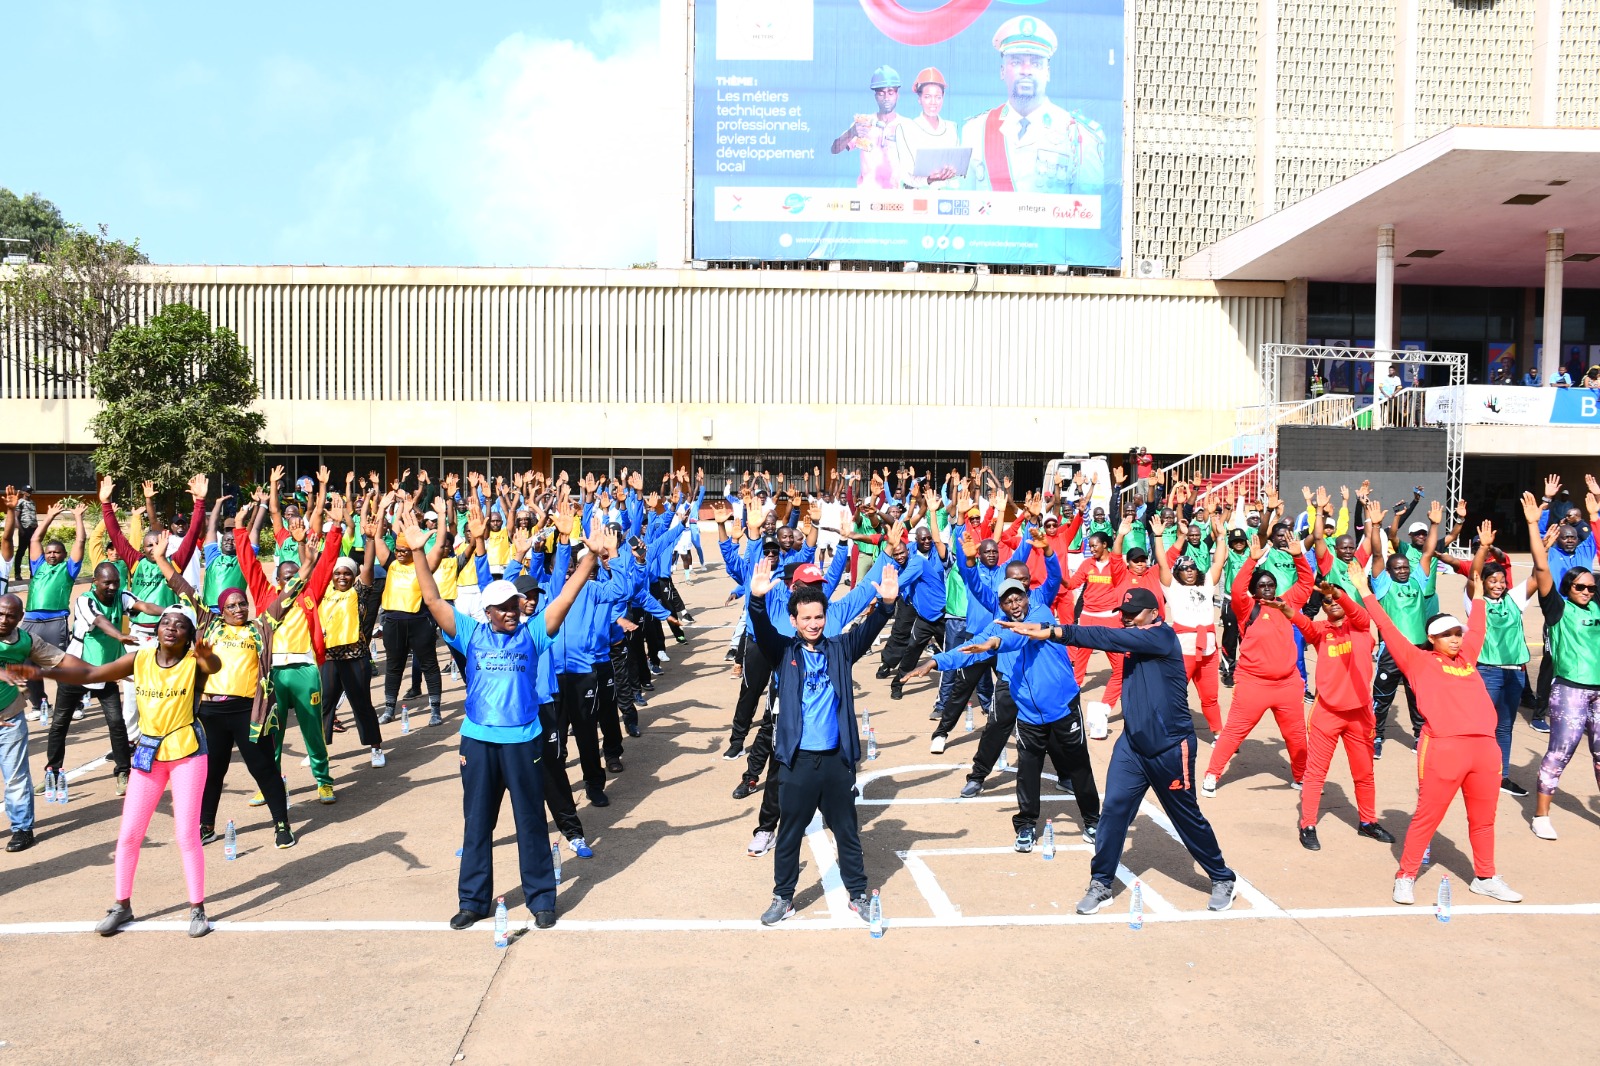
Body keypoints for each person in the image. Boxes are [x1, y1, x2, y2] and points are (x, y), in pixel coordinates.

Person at [403, 510, 598, 932]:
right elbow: (434, 600)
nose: (512, 611)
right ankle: (473, 900)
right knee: (477, 823)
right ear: (488, 610)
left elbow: (564, 598)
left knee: (530, 821)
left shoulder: (533, 633)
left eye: (515, 605)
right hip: (477, 741)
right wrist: (419, 552)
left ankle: (542, 898)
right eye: (503, 607)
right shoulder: (471, 634)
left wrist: (589, 559)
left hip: (524, 741)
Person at [1002, 588, 1238, 915]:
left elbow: (1106, 637)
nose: (1125, 618)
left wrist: (1057, 631)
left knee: (1186, 816)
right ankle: (1101, 882)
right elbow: (1112, 639)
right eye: (1123, 613)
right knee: (1112, 810)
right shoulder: (1134, 635)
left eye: (1132, 614)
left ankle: (1222, 877)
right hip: (1132, 746)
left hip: (1170, 748)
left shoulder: (1160, 637)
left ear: (1154, 612)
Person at [12, 602, 223, 935]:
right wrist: (40, 673)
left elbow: (214, 664)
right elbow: (90, 674)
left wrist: (207, 654)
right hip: (149, 754)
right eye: (165, 621)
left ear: (189, 635)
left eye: (179, 624)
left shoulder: (195, 663)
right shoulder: (139, 659)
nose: (170, 627)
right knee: (128, 835)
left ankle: (197, 910)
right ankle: (122, 905)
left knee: (185, 834)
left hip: (188, 754)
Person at [747, 555, 898, 926]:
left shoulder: (839, 649)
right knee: (789, 835)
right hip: (797, 762)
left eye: (819, 617)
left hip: (835, 761)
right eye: (806, 619)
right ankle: (783, 898)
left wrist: (887, 606)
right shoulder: (784, 652)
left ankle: (858, 894)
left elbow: (869, 628)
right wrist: (755, 599)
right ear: (794, 621)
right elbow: (763, 630)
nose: (813, 624)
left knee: (847, 831)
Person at [910, 575, 1101, 850]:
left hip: (1062, 707)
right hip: (1028, 712)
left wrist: (994, 644)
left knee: (1078, 765)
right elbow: (971, 648)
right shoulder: (996, 626)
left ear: (1027, 596)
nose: (1014, 604)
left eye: (1018, 597)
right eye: (1008, 600)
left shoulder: (1041, 613)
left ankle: (1093, 821)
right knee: (1027, 769)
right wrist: (936, 661)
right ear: (1001, 605)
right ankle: (1025, 826)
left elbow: (1017, 637)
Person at [1366, 588, 1523, 905]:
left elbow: (1477, 627)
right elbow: (1387, 626)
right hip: (1443, 749)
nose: (1455, 639)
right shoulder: (1417, 661)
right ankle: (1406, 876)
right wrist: (1364, 592)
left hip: (1484, 750)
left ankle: (1485, 877)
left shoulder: (1467, 659)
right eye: (1446, 634)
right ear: (1431, 638)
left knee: (1484, 819)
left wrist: (1478, 595)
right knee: (1428, 816)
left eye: (1456, 633)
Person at [153, 533, 296, 850]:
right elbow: (182, 588)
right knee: (211, 772)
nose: (239, 609)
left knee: (263, 768)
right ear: (221, 608)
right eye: (232, 605)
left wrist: (308, 563)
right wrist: (162, 559)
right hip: (211, 713)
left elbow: (288, 596)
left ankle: (282, 824)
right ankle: (206, 826)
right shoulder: (208, 623)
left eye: (243, 603)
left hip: (248, 712)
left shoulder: (260, 627)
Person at [1203, 501, 1314, 794]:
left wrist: (1299, 556)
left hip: (1288, 685)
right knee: (1233, 733)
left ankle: (1301, 776)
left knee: (1295, 736)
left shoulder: (1286, 604)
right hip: (1254, 685)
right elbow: (1238, 588)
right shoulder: (1246, 608)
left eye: (1270, 584)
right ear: (1255, 590)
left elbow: (1306, 582)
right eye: (1262, 585)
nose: (1267, 588)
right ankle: (1212, 774)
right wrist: (1252, 561)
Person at [1291, 572, 1395, 850]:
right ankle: (1308, 824)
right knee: (1315, 773)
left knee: (1364, 772)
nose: (1331, 603)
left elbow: (1356, 612)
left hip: (1359, 714)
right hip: (1327, 713)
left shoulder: (1361, 625)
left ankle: (1368, 822)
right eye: (1326, 601)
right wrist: (1289, 611)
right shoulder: (1321, 630)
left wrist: (1338, 594)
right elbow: (1305, 626)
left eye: (1335, 598)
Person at [42, 563, 163, 799]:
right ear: (95, 581)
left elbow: (144, 606)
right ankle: (53, 771)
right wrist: (120, 636)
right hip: (76, 668)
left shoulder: (122, 595)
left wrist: (170, 611)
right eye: (107, 582)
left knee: (117, 723)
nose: (112, 586)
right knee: (59, 724)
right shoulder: (85, 600)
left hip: (105, 669)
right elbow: (99, 621)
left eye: (115, 582)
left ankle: (122, 771)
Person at [1521, 491, 1600, 841]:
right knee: (1559, 753)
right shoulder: (1558, 609)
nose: (1587, 591)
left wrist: (1594, 519)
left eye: (1591, 588)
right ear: (1569, 588)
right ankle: (1541, 815)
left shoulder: (1596, 608)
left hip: (1599, 694)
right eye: (1580, 587)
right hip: (1569, 690)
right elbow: (1541, 569)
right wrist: (1533, 528)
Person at [960, 15, 1105, 194]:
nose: (1026, 71)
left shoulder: (1077, 135)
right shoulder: (975, 131)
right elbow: (962, 211)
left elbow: (1090, 213)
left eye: (1036, 63)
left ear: (1048, 73)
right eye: (1016, 62)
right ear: (1002, 71)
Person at [1468, 518, 1537, 799]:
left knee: (1505, 726)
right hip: (1487, 671)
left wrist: (1538, 540)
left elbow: (1538, 574)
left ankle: (1501, 775)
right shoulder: (1476, 600)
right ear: (1482, 582)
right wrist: (1483, 549)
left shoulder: (1514, 599)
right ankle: (1475, 771)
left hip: (1515, 673)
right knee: (1482, 724)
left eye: (1500, 580)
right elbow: (1474, 572)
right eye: (1491, 580)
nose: (1497, 584)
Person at [0, 593, 69, 853]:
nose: (3, 619)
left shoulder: (27, 640)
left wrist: (101, 672)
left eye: (10, 615)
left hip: (9, 717)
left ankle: (22, 829)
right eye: (0, 613)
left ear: (20, 618)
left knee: (16, 777)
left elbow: (61, 660)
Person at [1150, 510, 1227, 735]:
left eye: (1192, 568)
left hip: (1209, 651)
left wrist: (1221, 536)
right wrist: (1157, 537)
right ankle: (1164, 731)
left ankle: (1218, 733)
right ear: (1178, 573)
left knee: (1210, 697)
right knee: (1173, 693)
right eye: (1184, 569)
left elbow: (1219, 561)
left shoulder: (1206, 586)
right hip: (1183, 652)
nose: (1189, 571)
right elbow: (1163, 565)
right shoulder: (1172, 588)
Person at [20, 500, 86, 720]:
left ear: (63, 555)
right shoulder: (37, 566)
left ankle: (74, 704)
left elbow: (80, 540)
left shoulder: (69, 569)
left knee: (59, 666)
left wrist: (78, 517)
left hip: (55, 622)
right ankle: (39, 705)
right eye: (49, 552)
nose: (51, 555)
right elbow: (35, 538)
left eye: (57, 552)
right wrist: (49, 517)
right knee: (28, 665)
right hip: (30, 622)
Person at [831, 66, 904, 190]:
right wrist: (851, 132)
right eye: (881, 93)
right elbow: (834, 149)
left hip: (899, 196)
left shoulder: (907, 126)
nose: (886, 97)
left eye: (891, 92)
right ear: (876, 96)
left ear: (897, 95)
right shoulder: (863, 123)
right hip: (867, 197)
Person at [895, 67, 959, 187]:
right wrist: (929, 180)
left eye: (938, 97)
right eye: (927, 97)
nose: (933, 102)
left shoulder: (951, 128)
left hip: (946, 199)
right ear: (919, 99)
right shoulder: (906, 129)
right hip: (916, 198)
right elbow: (905, 173)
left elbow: (956, 174)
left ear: (943, 98)